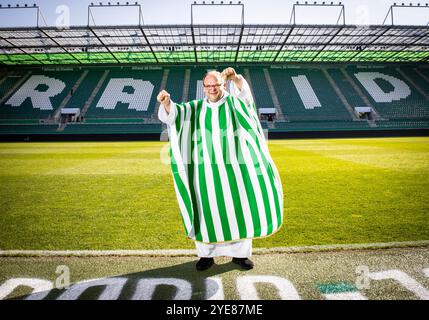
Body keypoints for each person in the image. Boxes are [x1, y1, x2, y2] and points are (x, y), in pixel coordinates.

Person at [157, 67, 283, 271]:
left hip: (236, 170)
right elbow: (173, 115)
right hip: (203, 172)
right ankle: (206, 256)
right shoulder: (195, 108)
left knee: (240, 208)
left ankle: (240, 256)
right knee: (207, 211)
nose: (212, 89)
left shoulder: (234, 104)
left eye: (216, 85)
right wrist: (166, 103)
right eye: (208, 85)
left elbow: (246, 99)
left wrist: (237, 78)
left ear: (223, 85)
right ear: (203, 87)